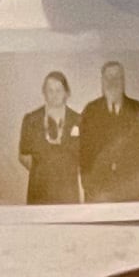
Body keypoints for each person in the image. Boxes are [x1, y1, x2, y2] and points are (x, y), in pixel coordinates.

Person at [79, 58, 139, 204]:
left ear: (123, 81)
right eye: (108, 77)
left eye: (117, 77)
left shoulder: (138, 110)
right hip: (98, 196)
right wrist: (90, 187)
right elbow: (82, 152)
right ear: (102, 82)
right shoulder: (90, 111)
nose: (112, 82)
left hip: (131, 195)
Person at [18, 69, 83, 205]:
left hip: (68, 191)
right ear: (44, 93)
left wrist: (64, 172)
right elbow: (23, 155)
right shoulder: (31, 120)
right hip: (39, 190)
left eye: (58, 90)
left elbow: (85, 157)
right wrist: (44, 171)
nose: (54, 95)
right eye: (50, 90)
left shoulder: (79, 120)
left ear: (66, 93)